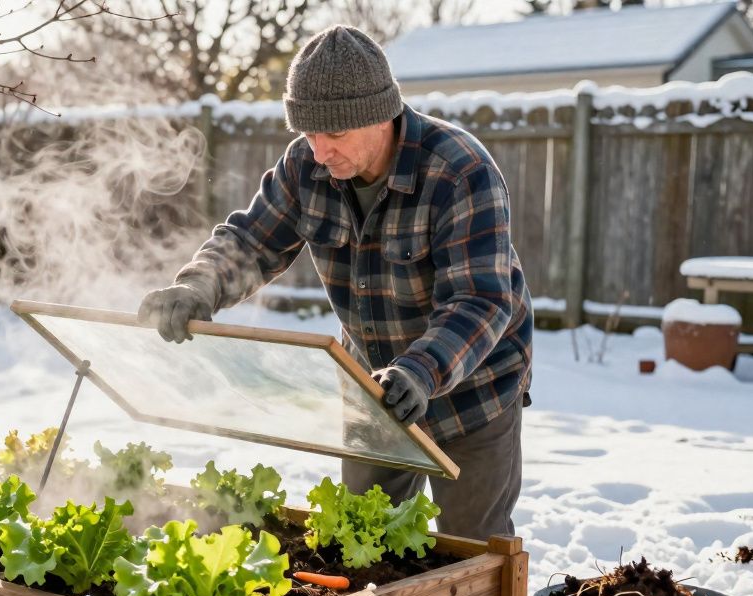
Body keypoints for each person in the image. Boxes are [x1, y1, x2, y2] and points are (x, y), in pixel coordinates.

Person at [137, 25, 533, 539]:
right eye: (309, 134)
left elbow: (479, 300)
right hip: (374, 387)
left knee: (473, 551)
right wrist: (197, 287)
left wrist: (421, 370)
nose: (320, 152)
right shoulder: (306, 166)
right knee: (362, 537)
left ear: (380, 116)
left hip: (473, 389)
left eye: (336, 135)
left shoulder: (459, 171)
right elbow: (252, 240)